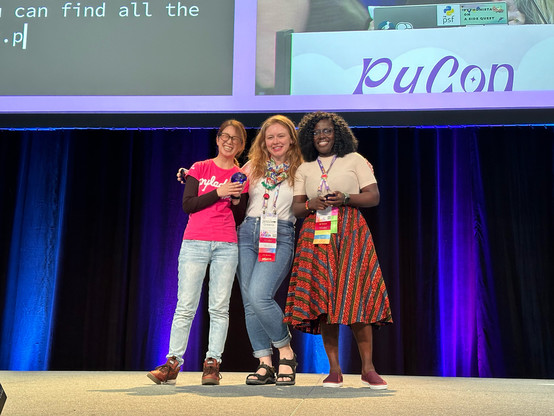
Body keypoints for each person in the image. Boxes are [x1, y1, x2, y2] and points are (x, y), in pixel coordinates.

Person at [283, 111, 393, 389]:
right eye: (316, 132)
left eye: (327, 131)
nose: (322, 136)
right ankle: (334, 370)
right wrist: (311, 204)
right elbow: (296, 208)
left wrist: (346, 198)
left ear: (338, 134)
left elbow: (374, 196)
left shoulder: (354, 160)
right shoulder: (304, 168)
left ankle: (368, 369)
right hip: (316, 234)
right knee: (324, 299)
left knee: (356, 297)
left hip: (350, 231)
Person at [147, 120, 249, 386]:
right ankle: (172, 363)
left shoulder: (241, 177)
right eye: (225, 136)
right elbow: (188, 205)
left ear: (241, 145)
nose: (229, 141)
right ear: (217, 139)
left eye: (235, 139)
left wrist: (236, 198)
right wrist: (220, 192)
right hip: (195, 242)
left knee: (219, 307)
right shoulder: (200, 168)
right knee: (185, 306)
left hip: (226, 244)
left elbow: (239, 217)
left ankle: (212, 364)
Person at [237, 115, 304, 386]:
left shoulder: (303, 168)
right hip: (247, 233)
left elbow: (332, 172)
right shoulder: (253, 166)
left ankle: (286, 352)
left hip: (280, 233)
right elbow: (224, 179)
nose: (275, 141)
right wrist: (192, 175)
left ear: (291, 138)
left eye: (281, 136)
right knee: (249, 303)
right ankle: (265, 363)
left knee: (259, 295)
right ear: (263, 142)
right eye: (270, 137)